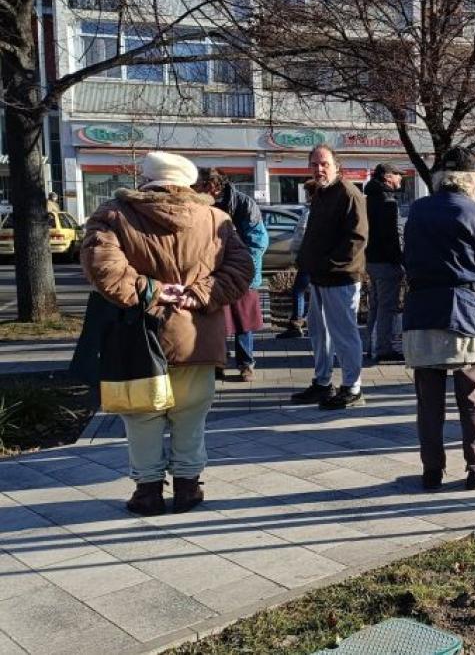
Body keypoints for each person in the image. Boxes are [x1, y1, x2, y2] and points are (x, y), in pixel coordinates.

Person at [82, 151, 253, 516]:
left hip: (138, 337)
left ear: (146, 180)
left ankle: (147, 493)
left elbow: (103, 269)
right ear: (187, 183)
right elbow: (242, 268)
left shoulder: (113, 216)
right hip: (197, 335)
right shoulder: (216, 219)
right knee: (191, 412)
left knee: (142, 414)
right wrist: (200, 293)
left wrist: (150, 291)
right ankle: (189, 488)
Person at [403, 148, 475, 491]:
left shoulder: (417, 211)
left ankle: (431, 471)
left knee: (428, 399)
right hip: (462, 309)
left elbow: (407, 258)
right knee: (471, 395)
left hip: (421, 310)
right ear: (472, 179)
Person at [290, 144, 369, 410]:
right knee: (319, 333)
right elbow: (314, 234)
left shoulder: (349, 193)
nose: (319, 169)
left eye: (324, 164)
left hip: (341, 276)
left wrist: (329, 264)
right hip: (320, 276)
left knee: (344, 334)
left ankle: (352, 387)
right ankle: (323, 382)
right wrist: (306, 261)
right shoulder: (322, 193)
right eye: (314, 164)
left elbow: (357, 238)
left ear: (337, 166)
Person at [193, 168, 268, 382]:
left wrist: (243, 272)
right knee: (216, 321)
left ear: (212, 185)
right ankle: (217, 362)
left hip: (240, 272)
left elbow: (258, 241)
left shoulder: (244, 204)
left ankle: (246, 364)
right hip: (211, 273)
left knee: (243, 320)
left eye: (199, 185)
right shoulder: (200, 205)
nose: (196, 189)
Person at [363, 163, 405, 363]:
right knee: (387, 306)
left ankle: (369, 346)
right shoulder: (388, 200)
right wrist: (400, 259)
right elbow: (393, 235)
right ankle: (383, 349)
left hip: (371, 258)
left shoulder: (369, 197)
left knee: (376, 304)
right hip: (386, 261)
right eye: (398, 175)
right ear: (388, 177)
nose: (401, 179)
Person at [278, 191, 311, 340]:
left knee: (299, 290)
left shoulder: (309, 211)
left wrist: (295, 252)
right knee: (311, 291)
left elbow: (301, 233)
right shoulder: (320, 208)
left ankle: (296, 324)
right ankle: (306, 322)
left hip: (307, 256)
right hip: (314, 256)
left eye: (307, 192)